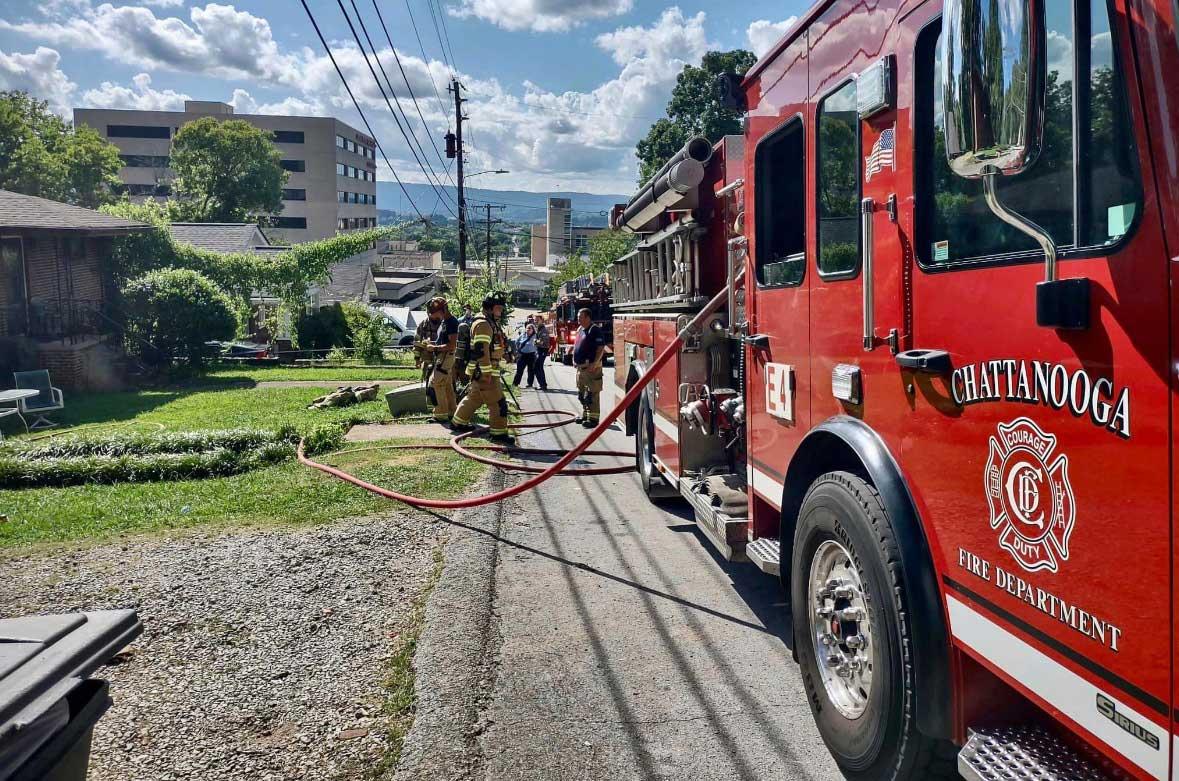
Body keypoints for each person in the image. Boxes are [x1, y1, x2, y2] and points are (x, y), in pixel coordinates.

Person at [451, 293, 514, 444]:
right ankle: (498, 433)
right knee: (498, 403)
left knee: (474, 398)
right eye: (499, 308)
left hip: (484, 370)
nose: (501, 311)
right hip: (486, 371)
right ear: (490, 308)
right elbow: (481, 350)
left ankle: (458, 422)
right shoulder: (483, 324)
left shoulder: (490, 322)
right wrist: (486, 373)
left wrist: (506, 354)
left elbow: (495, 344)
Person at [422, 297, 459, 425]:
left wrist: (435, 348)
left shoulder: (451, 322)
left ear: (443, 309)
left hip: (446, 357)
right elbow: (442, 341)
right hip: (442, 356)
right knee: (447, 385)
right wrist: (430, 344)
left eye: (435, 311)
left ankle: (440, 414)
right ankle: (451, 411)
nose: (433, 314)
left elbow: (452, 345)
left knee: (436, 383)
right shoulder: (444, 322)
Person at [573, 307, 606, 428]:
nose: (578, 320)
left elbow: (600, 348)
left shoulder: (595, 330)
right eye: (578, 317)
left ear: (588, 317)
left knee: (592, 394)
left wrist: (594, 363)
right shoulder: (580, 329)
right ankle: (585, 415)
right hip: (580, 368)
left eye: (580, 317)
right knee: (582, 394)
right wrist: (574, 359)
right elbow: (576, 345)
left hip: (591, 368)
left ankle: (593, 419)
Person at [413, 313, 441, 385]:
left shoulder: (444, 323)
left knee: (439, 381)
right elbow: (417, 343)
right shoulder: (423, 324)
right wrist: (417, 360)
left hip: (441, 358)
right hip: (427, 359)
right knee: (426, 379)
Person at [512, 323, 539, 388]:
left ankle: (529, 384)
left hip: (531, 355)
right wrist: (517, 349)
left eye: (530, 328)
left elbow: (538, 344)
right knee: (519, 370)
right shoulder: (522, 335)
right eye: (527, 328)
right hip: (522, 355)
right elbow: (516, 342)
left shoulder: (535, 336)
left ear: (533, 330)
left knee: (531, 370)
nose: (528, 329)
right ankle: (515, 384)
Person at [532, 318, 550, 391]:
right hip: (539, 349)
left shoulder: (543, 330)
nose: (535, 321)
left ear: (542, 321)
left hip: (543, 350)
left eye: (537, 320)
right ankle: (542, 384)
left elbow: (542, 342)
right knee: (537, 367)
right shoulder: (538, 329)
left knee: (538, 367)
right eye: (535, 320)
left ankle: (543, 385)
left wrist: (535, 341)